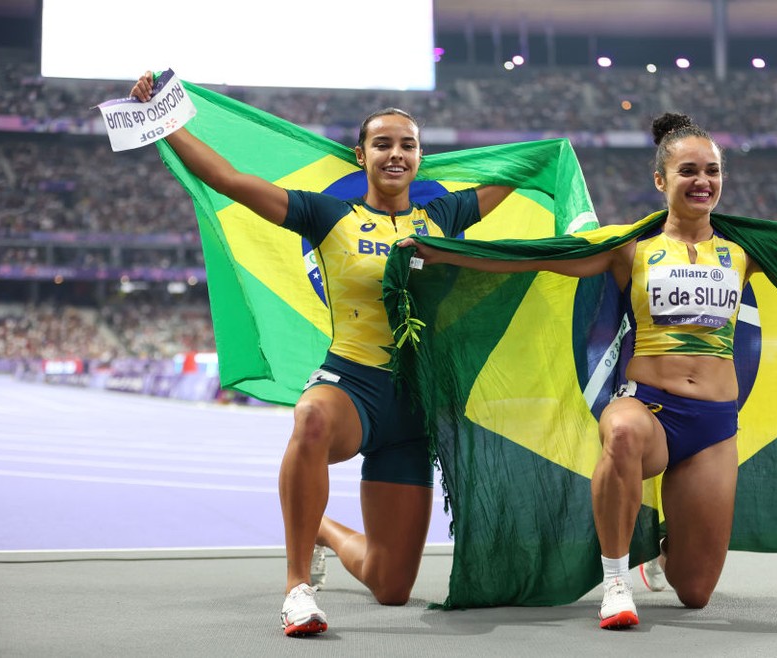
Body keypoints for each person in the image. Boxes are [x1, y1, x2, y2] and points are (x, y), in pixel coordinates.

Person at [129, 71, 514, 636]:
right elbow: (228, 179)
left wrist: (553, 156)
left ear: (420, 158)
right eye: (382, 143)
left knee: (391, 588)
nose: (395, 153)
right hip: (352, 384)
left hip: (414, 412)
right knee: (309, 418)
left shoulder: (446, 216)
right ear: (361, 155)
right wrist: (163, 119)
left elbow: (527, 169)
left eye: (407, 144)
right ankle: (296, 587)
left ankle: (320, 529)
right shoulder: (326, 214)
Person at [400, 112, 759, 630]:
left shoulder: (746, 250)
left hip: (714, 425)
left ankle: (660, 548)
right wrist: (448, 253)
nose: (702, 181)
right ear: (661, 180)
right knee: (621, 429)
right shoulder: (629, 248)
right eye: (688, 171)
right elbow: (540, 259)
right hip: (651, 409)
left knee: (695, 592)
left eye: (713, 171)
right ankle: (616, 580)